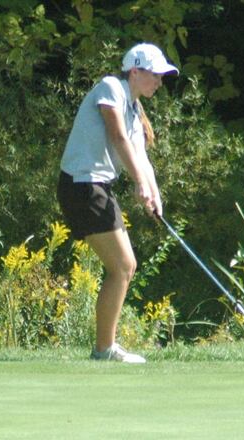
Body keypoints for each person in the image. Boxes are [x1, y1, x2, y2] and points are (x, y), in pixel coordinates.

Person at [57, 43, 178, 363]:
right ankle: (104, 350)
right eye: (155, 75)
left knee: (125, 266)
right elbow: (117, 137)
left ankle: (104, 348)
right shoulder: (110, 88)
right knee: (123, 266)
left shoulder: (135, 112)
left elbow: (141, 158)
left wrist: (154, 195)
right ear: (135, 71)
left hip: (96, 187)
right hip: (82, 185)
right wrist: (138, 183)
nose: (159, 82)